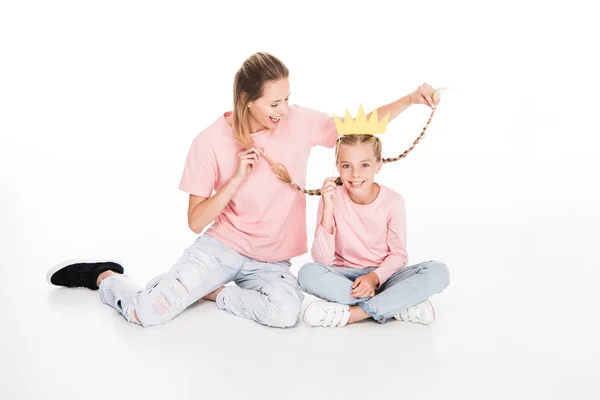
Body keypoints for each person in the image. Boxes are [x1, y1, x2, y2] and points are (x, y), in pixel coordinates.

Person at [46, 51, 440, 328]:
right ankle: (106, 278)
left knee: (286, 315)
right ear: (246, 99)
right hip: (220, 248)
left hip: (271, 263)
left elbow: (364, 124)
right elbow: (195, 220)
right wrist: (234, 179)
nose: (283, 110)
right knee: (148, 314)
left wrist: (410, 98)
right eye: (274, 103)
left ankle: (211, 293)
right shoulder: (209, 141)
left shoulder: (298, 122)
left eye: (287, 99)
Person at [297, 132, 450, 328]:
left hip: (384, 276)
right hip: (346, 278)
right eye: (346, 166)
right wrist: (327, 208)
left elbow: (398, 254)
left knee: (438, 272)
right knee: (307, 273)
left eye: (365, 165)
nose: (355, 174)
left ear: (378, 165)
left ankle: (354, 314)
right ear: (338, 167)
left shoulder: (393, 201)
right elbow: (322, 260)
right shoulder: (332, 198)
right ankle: (396, 305)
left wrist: (374, 278)